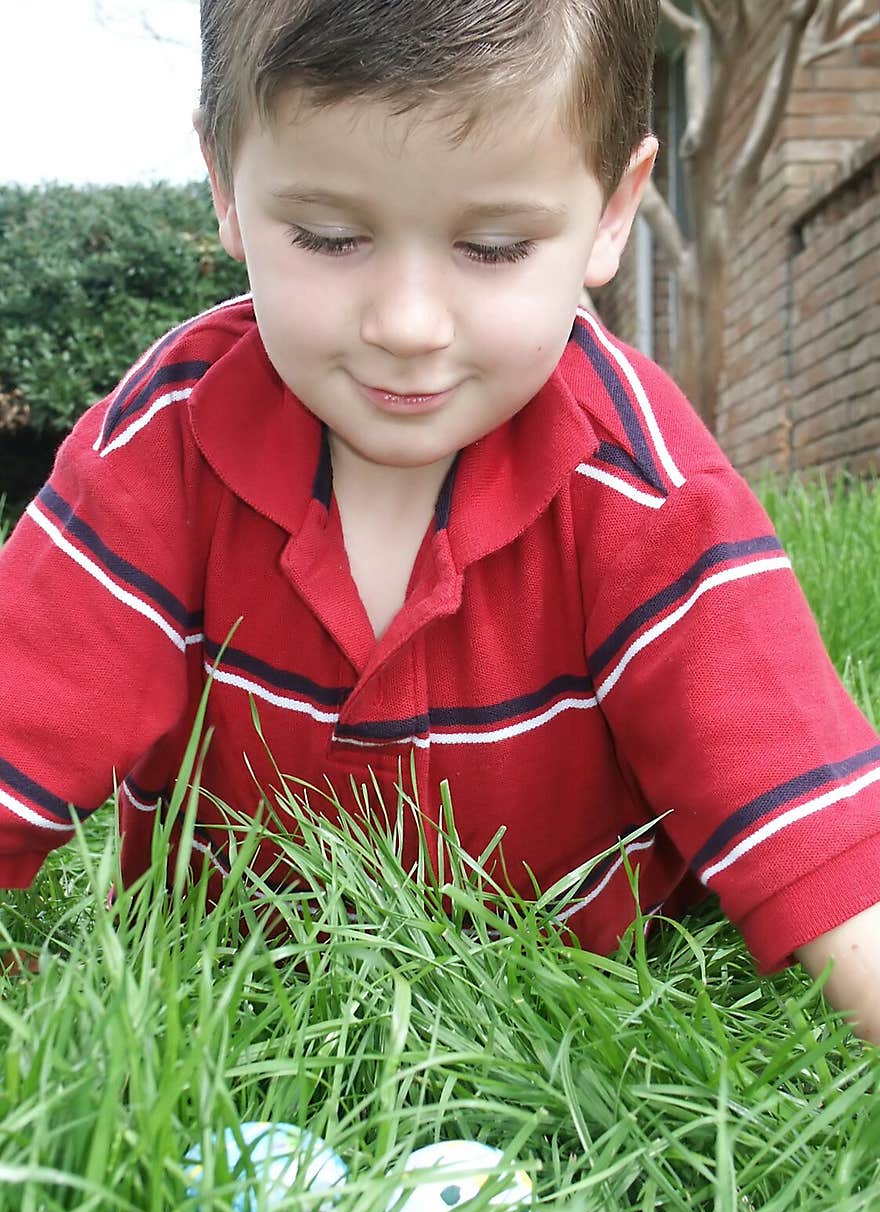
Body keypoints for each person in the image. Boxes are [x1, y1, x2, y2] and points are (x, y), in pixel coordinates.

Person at [2, 0, 879, 1040]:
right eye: (328, 237)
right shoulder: (165, 445)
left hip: (572, 1047)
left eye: (495, 246)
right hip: (226, 1031)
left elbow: (819, 840)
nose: (407, 326)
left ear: (611, 211)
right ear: (225, 185)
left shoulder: (643, 487)